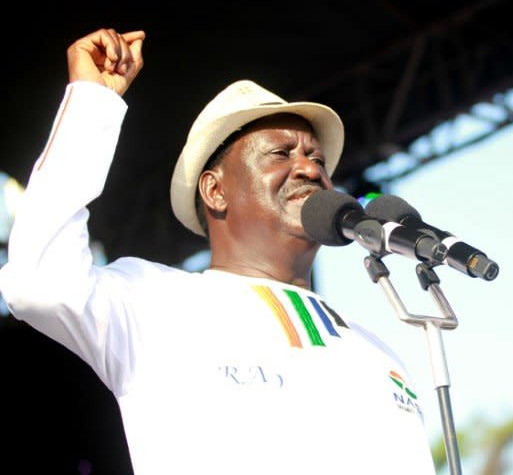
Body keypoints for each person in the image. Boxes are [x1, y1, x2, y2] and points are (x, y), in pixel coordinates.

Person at [0, 28, 436, 474]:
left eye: (318, 159)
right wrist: (92, 104)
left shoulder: (379, 356)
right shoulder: (155, 303)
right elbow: (39, 283)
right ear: (215, 190)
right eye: (280, 154)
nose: (308, 167)